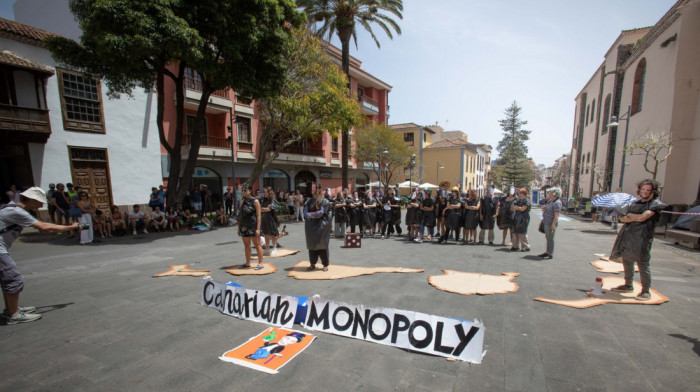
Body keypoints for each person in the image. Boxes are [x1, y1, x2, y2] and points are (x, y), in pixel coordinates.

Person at [1, 187, 80, 324]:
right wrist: (70, 227)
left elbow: (44, 227)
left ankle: (11, 309)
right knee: (13, 279)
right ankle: (13, 315)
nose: (42, 205)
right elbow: (44, 226)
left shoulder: (12, 208)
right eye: (39, 202)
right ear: (32, 200)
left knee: (7, 279)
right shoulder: (16, 211)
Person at [609, 179, 667, 300]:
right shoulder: (635, 203)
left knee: (643, 264)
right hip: (628, 236)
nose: (645, 192)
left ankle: (646, 291)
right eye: (643, 189)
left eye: (648, 190)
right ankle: (628, 284)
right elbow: (623, 219)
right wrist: (632, 217)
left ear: (653, 191)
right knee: (627, 260)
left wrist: (631, 216)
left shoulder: (655, 204)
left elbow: (642, 217)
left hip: (642, 238)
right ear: (640, 190)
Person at [304, 182, 332, 271]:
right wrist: (313, 214)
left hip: (321, 227)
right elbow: (305, 213)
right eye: (311, 187)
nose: (312, 189)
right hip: (310, 227)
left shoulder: (325, 201)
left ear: (319, 189)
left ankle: (325, 264)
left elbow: (320, 214)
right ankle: (312, 263)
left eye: (314, 188)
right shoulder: (309, 201)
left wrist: (311, 214)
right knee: (312, 245)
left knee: (322, 245)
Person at [238, 185, 265, 270]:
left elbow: (259, 216)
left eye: (245, 190)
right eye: (243, 190)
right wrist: (239, 227)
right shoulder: (242, 201)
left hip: (253, 225)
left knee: (257, 244)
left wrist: (258, 228)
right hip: (244, 225)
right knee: (247, 245)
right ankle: (248, 262)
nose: (244, 192)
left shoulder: (255, 201)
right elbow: (240, 215)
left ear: (250, 191)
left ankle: (260, 263)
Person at [539, 187, 562, 260]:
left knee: (550, 238)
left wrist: (553, 224)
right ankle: (547, 251)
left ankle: (550, 253)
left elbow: (556, 215)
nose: (549, 194)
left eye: (550, 192)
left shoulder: (557, 202)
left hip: (551, 223)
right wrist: (544, 209)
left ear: (555, 194)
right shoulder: (550, 201)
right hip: (546, 221)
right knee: (547, 237)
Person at [261, 187, 280, 256]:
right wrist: (266, 208)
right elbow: (261, 209)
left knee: (272, 234)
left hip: (271, 219)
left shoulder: (273, 200)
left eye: (266, 192)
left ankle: (274, 248)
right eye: (264, 192)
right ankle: (267, 248)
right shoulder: (264, 200)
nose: (265, 193)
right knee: (265, 233)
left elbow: (271, 209)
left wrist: (265, 209)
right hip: (264, 218)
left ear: (269, 192)